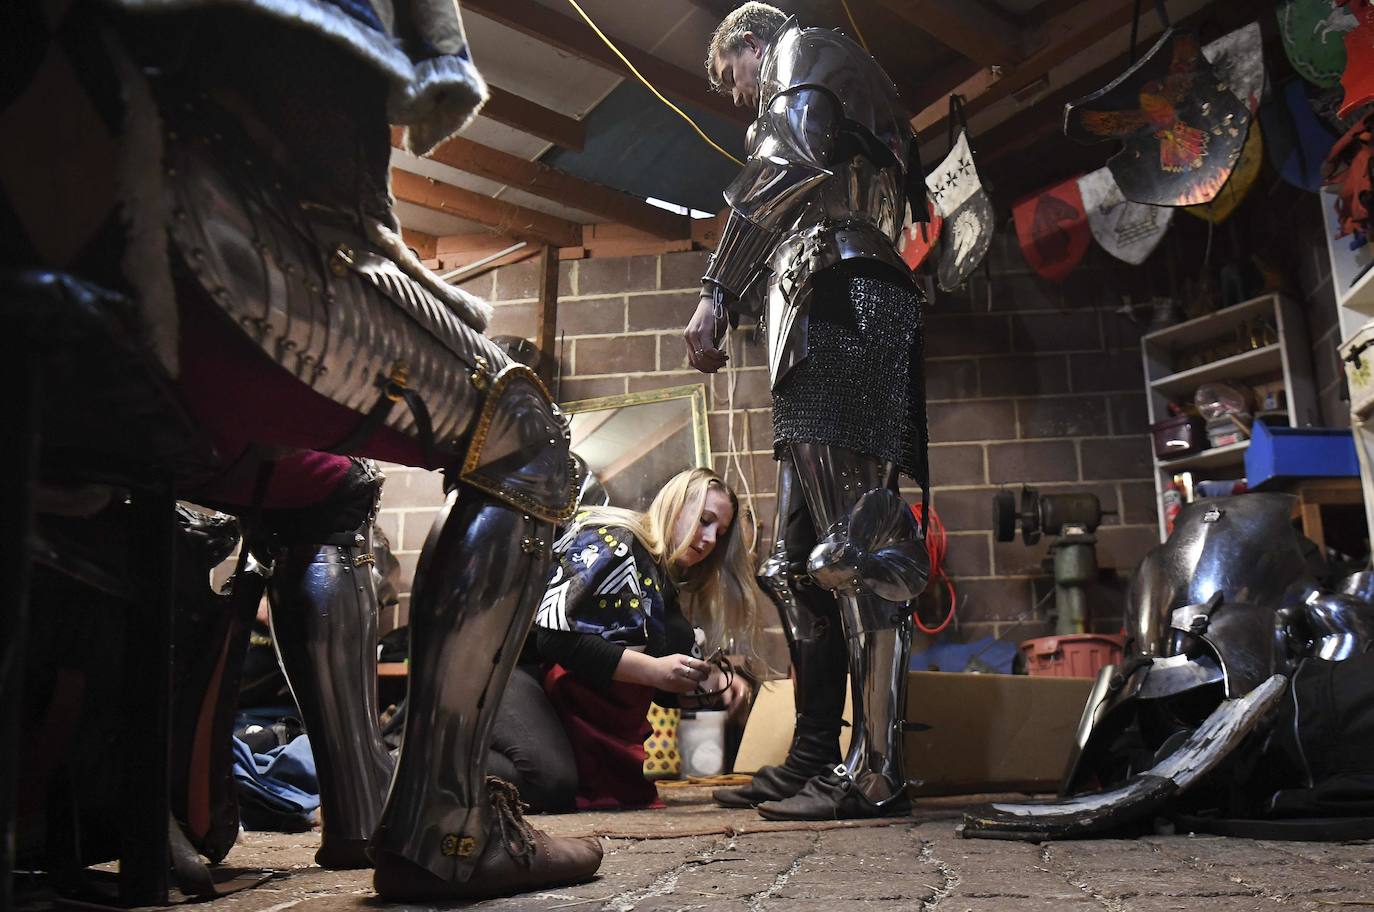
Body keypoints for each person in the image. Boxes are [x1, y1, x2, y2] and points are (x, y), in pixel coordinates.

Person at [3, 0, 601, 901]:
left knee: (315, 486)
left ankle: (342, 809)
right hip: (167, 213)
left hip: (48, 262)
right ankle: (443, 827)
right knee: (527, 439)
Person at [683, 3, 932, 821]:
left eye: (735, 78)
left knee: (854, 550)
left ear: (751, 44)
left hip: (841, 293)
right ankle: (816, 754)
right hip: (816, 297)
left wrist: (717, 288)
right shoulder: (829, 75)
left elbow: (787, 161)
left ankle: (879, 771)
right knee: (793, 566)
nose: (740, 97)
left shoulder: (803, 50)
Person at [488, 467, 764, 812]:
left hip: (547, 685)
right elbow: (556, 640)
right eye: (704, 520)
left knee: (574, 785)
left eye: (719, 533)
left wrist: (711, 682)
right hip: (504, 669)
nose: (709, 538)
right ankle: (436, 764)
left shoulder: (665, 583)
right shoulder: (617, 538)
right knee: (550, 782)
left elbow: (658, 685)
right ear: (675, 506)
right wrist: (655, 670)